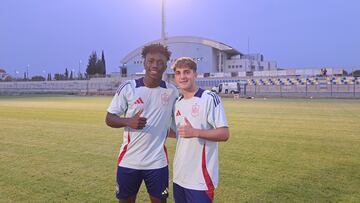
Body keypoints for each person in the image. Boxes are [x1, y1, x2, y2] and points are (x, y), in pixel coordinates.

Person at [105, 43, 178, 203]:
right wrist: (128, 121)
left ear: (166, 66)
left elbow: (178, 121)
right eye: (151, 61)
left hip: (157, 162)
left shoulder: (172, 91)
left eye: (160, 62)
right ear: (144, 62)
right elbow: (109, 118)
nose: (155, 65)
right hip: (129, 160)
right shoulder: (128, 88)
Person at [169, 57, 230, 203]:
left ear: (195, 74)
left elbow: (224, 133)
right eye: (178, 73)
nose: (182, 76)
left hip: (200, 180)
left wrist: (195, 132)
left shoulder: (209, 98)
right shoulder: (177, 102)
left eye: (187, 72)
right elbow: (178, 133)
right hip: (179, 177)